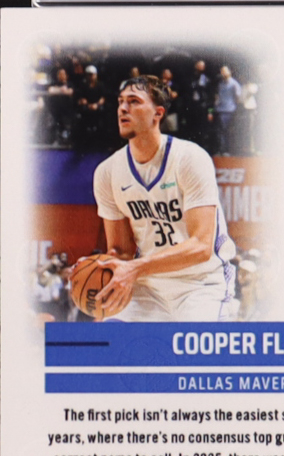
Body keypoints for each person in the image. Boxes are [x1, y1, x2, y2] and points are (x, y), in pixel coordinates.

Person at [92, 75, 236, 321]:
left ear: (158, 113)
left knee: (192, 344)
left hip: (200, 284)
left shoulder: (189, 158)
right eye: (121, 102)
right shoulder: (107, 172)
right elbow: (121, 251)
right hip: (147, 286)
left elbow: (201, 247)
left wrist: (135, 268)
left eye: (134, 101)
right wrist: (97, 266)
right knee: (110, 338)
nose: (123, 108)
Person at [214, 65, 243, 156]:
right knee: (220, 131)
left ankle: (228, 150)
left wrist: (235, 108)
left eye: (225, 71)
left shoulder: (234, 84)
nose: (223, 73)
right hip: (220, 110)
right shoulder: (220, 84)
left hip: (230, 110)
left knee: (227, 131)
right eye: (221, 71)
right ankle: (222, 150)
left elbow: (238, 97)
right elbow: (218, 96)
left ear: (229, 72)